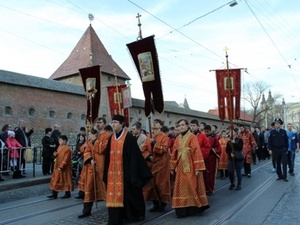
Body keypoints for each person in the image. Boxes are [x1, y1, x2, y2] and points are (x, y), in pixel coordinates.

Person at [103, 115, 152, 225]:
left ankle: (136, 214)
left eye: (115, 122)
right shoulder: (111, 138)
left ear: (121, 124)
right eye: (112, 122)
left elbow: (135, 157)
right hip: (113, 174)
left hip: (126, 172)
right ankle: (117, 218)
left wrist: (133, 174)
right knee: (115, 195)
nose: (113, 124)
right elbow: (107, 156)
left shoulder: (128, 137)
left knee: (130, 195)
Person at [170, 119, 209, 218]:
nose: (181, 127)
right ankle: (181, 210)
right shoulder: (178, 138)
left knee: (192, 186)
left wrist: (198, 168)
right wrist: (171, 167)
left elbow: (197, 152)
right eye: (179, 125)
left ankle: (194, 209)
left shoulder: (192, 137)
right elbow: (174, 152)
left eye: (183, 125)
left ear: (187, 126)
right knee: (180, 187)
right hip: (180, 167)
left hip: (191, 165)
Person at [78, 125, 110, 218]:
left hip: (101, 167)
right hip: (91, 168)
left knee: (105, 188)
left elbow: (102, 149)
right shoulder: (89, 142)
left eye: (90, 134)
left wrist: (95, 141)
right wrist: (90, 159)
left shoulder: (105, 136)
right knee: (89, 188)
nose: (89, 136)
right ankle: (86, 211)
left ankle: (112, 209)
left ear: (95, 134)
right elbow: (86, 151)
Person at [147, 119, 171, 212]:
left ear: (161, 126)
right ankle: (155, 203)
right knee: (151, 184)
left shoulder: (164, 136)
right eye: (154, 122)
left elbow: (163, 149)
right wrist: (148, 156)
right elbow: (145, 148)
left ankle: (163, 202)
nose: (154, 124)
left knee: (160, 183)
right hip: (152, 163)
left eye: (156, 123)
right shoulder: (150, 135)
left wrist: (154, 143)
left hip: (161, 164)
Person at [47, 135, 74, 199]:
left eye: (60, 140)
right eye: (59, 140)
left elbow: (66, 158)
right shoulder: (59, 147)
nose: (59, 142)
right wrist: (54, 155)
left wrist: (62, 166)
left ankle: (67, 193)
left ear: (64, 141)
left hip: (64, 168)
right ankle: (54, 193)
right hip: (57, 166)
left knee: (66, 180)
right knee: (56, 179)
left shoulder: (67, 149)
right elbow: (57, 155)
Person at [203, 125, 221, 195]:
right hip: (204, 158)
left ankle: (210, 189)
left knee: (210, 175)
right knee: (204, 174)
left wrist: (212, 149)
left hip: (211, 158)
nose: (206, 133)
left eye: (207, 131)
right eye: (205, 131)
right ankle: (204, 189)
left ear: (210, 131)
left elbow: (218, 148)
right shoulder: (203, 137)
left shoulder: (214, 138)